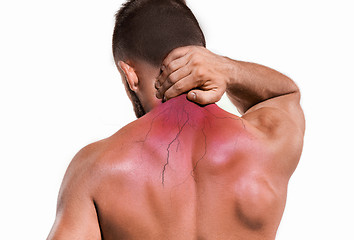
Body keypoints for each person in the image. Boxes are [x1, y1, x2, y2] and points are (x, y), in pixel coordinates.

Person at [47, 0, 305, 239]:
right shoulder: (266, 144)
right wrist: (227, 68)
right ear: (205, 58)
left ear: (129, 74)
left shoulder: (94, 168)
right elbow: (285, 93)